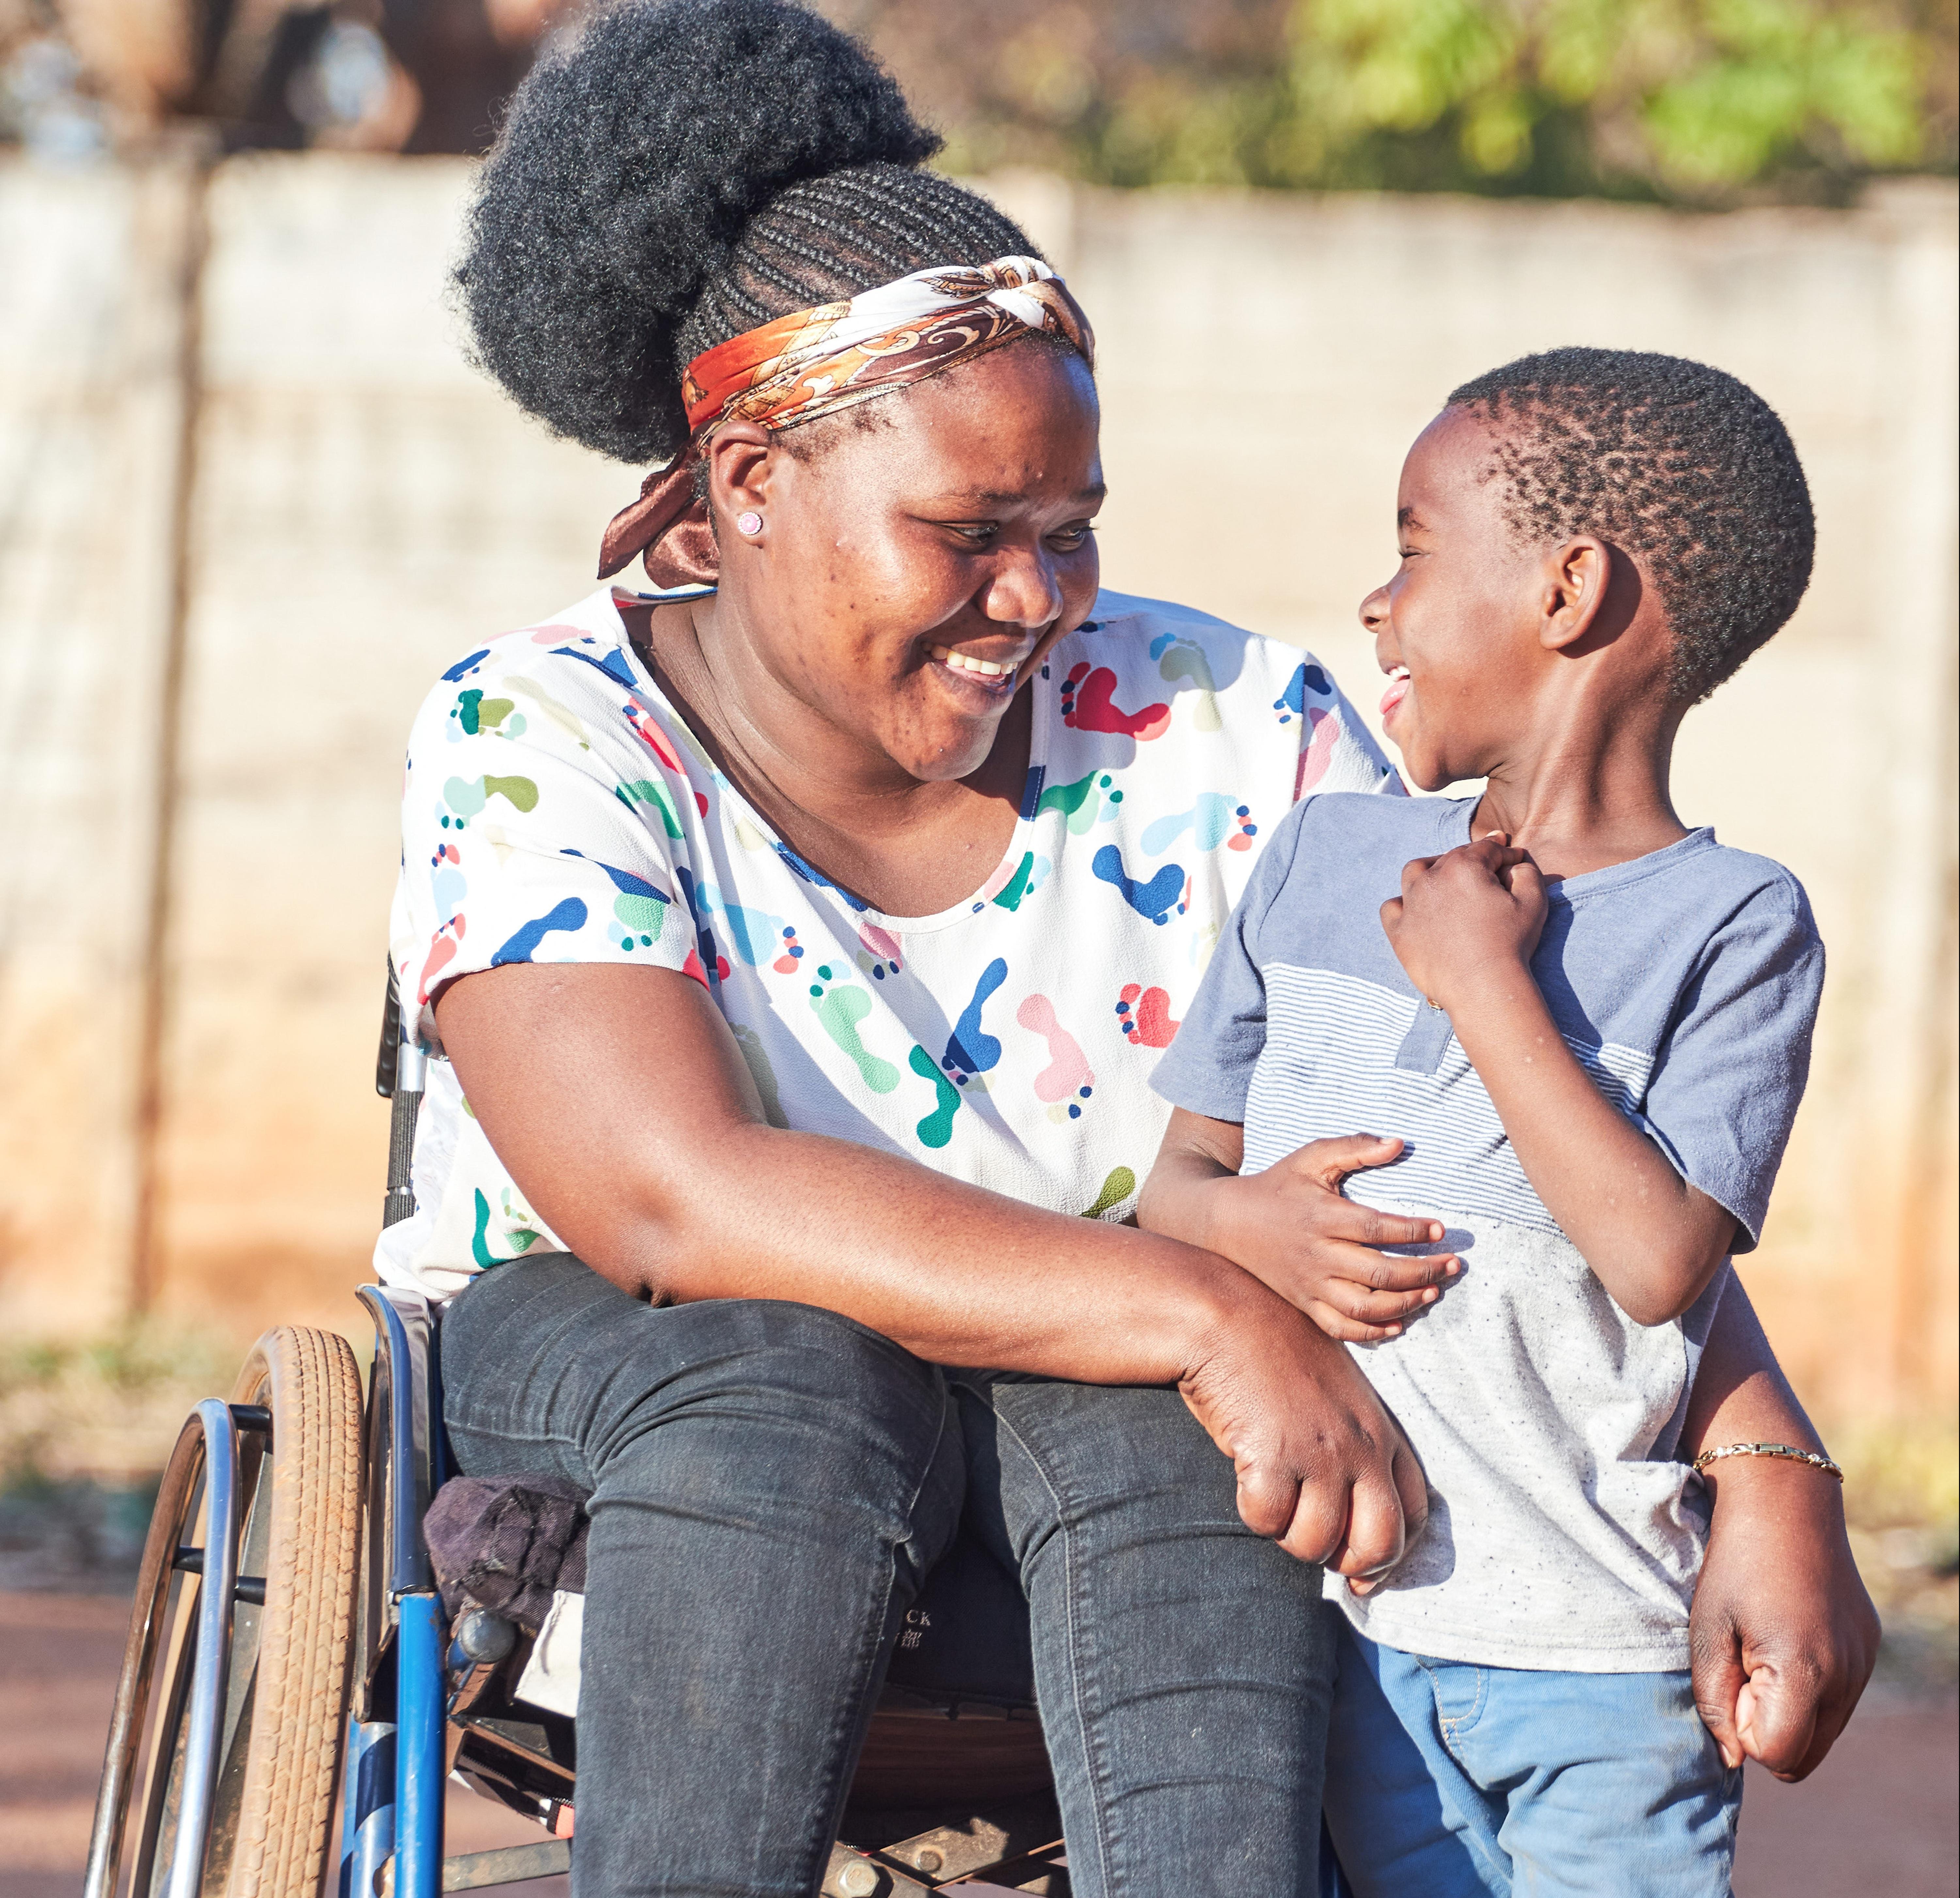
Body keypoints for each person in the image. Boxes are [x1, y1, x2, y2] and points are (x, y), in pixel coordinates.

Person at [383, 5, 1876, 1893]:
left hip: (1095, 1393)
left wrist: (1764, 1460)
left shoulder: (1234, 729)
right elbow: (673, 1206)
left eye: (1070, 529)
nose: (1035, 597)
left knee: (1176, 1449)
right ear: (750, 479)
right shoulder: (546, 732)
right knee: (787, 1383)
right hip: (633, 1365)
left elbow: (1529, 1132)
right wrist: (1199, 1303)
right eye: (967, 529)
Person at [1141, 349, 1846, 1895]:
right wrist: (1238, 1218)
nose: (1377, 605)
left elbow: (1659, 1261)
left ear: (1568, 587)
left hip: (1596, 1654)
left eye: (1410, 548)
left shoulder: (1736, 923)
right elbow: (1172, 1184)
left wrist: (1486, 986)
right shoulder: (1319, 860)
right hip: (1338, 1639)